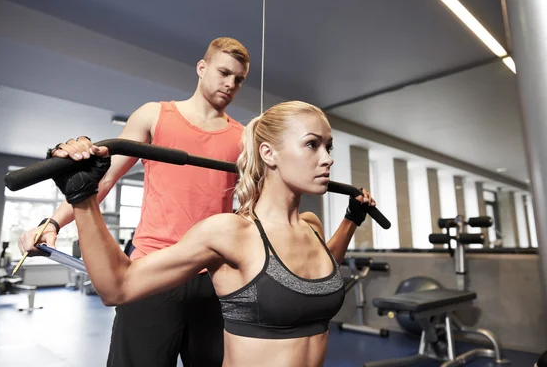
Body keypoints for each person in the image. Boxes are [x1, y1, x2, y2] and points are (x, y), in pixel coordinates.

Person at [47, 100, 377, 367]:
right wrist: (83, 199)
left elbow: (320, 273)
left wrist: (351, 219)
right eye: (312, 145)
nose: (328, 159)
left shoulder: (311, 227)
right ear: (268, 154)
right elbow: (117, 287)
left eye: (328, 146)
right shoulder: (231, 233)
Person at [18, 37, 251, 367]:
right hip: (151, 271)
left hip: (211, 277)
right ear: (202, 68)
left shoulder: (242, 138)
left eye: (239, 79)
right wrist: (54, 222)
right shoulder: (155, 115)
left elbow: (251, 206)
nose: (230, 84)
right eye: (224, 72)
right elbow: (103, 179)